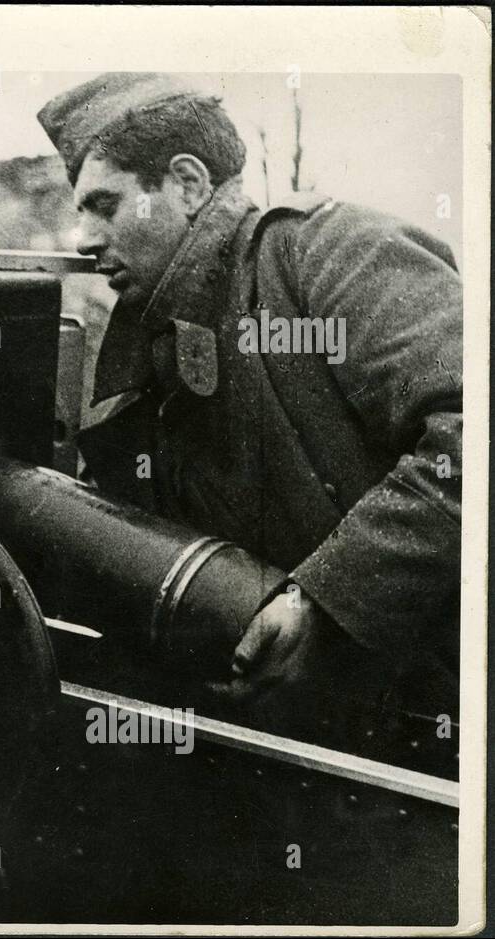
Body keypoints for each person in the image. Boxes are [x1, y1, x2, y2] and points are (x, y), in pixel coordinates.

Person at [36, 73, 462, 712]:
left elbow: (472, 430)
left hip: (433, 720)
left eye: (105, 205)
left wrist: (323, 600)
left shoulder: (326, 253)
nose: (85, 239)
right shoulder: (147, 341)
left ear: (187, 184)